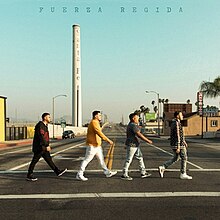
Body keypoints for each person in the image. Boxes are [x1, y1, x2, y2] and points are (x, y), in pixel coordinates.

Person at [76, 111, 117, 181]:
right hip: (92, 145)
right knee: (87, 160)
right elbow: (99, 133)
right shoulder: (94, 122)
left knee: (101, 160)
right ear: (95, 116)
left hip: (97, 145)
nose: (100, 117)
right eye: (99, 115)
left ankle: (107, 172)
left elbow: (99, 132)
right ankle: (80, 174)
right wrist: (108, 140)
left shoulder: (96, 123)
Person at [26, 113, 67, 181]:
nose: (50, 118)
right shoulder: (40, 125)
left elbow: (45, 137)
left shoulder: (45, 126)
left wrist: (47, 144)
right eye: (49, 117)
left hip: (43, 147)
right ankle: (29, 175)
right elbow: (41, 137)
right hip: (39, 147)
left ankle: (57, 171)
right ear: (45, 118)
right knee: (34, 160)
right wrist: (46, 145)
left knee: (49, 160)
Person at [158, 111, 192, 180]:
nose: (182, 116)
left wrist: (184, 141)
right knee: (184, 158)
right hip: (178, 144)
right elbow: (178, 135)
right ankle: (183, 173)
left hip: (176, 143)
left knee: (176, 158)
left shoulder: (176, 122)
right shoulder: (176, 123)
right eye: (181, 115)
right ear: (177, 116)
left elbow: (180, 134)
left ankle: (163, 167)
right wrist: (179, 146)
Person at [121, 112, 153, 181]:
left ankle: (143, 172)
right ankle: (124, 174)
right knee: (129, 159)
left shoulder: (132, 125)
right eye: (137, 117)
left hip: (135, 145)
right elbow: (139, 134)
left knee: (140, 158)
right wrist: (148, 140)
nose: (138, 118)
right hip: (132, 145)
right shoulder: (133, 125)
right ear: (133, 118)